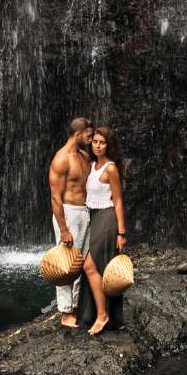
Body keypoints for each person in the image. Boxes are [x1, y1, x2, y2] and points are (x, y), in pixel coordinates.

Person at [76, 126, 127, 335]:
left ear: (109, 145)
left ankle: (102, 315)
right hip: (94, 218)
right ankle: (109, 316)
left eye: (102, 142)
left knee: (90, 265)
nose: (97, 145)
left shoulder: (110, 169)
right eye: (95, 141)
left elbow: (118, 202)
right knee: (100, 267)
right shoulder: (93, 165)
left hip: (107, 218)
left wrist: (121, 233)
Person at [48, 116, 94, 327]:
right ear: (78, 134)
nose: (91, 138)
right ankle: (65, 312)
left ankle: (76, 307)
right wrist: (64, 229)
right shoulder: (61, 159)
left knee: (82, 263)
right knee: (66, 264)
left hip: (85, 212)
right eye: (89, 135)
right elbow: (55, 197)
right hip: (69, 214)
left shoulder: (84, 156)